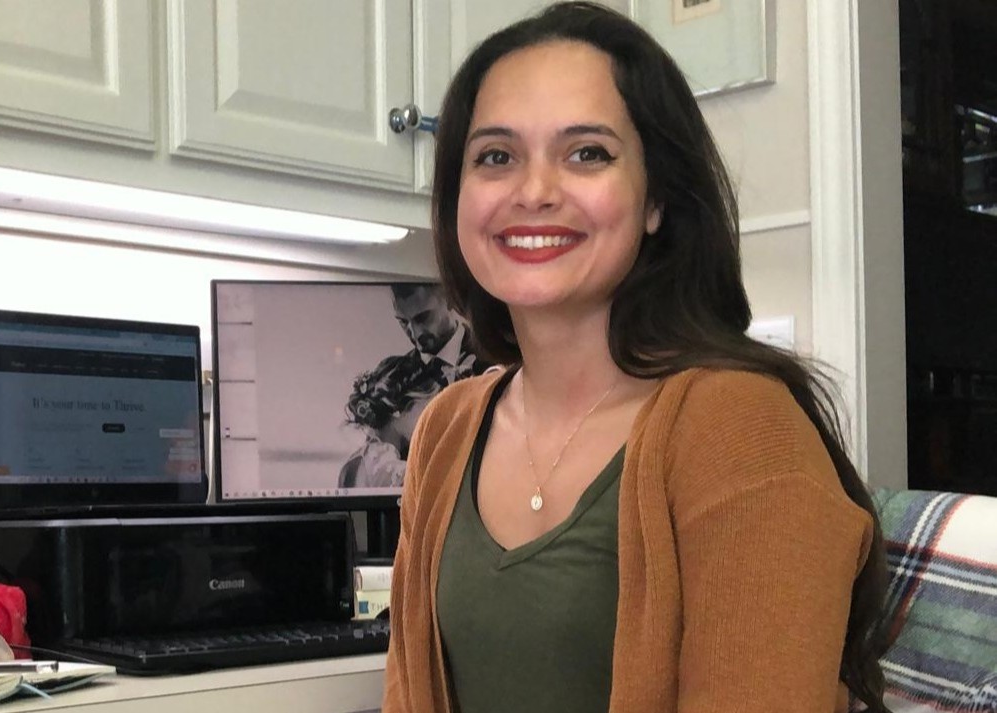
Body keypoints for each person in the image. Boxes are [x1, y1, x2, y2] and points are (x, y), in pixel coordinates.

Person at [382, 4, 891, 713]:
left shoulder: (740, 428)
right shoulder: (445, 429)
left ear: (655, 198)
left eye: (587, 152)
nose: (534, 191)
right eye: (495, 156)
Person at [338, 284, 486, 488]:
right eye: (403, 322)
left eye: (423, 318)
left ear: (451, 300)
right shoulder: (390, 376)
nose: (415, 333)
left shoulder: (492, 361)